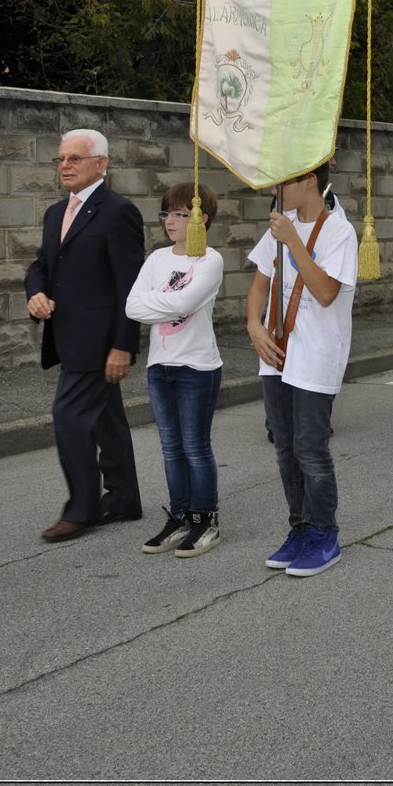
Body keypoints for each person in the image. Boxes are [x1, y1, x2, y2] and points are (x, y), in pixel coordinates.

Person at [25, 128, 145, 542]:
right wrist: (35, 292)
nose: (65, 166)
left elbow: (130, 286)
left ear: (102, 164)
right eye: (60, 159)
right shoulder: (56, 213)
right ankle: (125, 498)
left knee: (69, 417)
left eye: (74, 159)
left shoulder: (118, 212)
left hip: (99, 343)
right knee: (107, 418)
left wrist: (123, 346)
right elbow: (42, 263)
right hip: (68, 336)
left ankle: (83, 509)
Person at [247, 162, 358, 578]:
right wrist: (254, 325)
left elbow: (326, 292)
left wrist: (293, 241)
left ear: (309, 181)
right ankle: (300, 527)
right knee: (285, 448)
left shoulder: (338, 231)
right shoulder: (280, 225)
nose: (276, 189)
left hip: (316, 355)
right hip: (276, 352)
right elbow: (259, 284)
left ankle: (324, 534)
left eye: (284, 181)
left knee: (311, 449)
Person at [124, 182, 225, 557]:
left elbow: (187, 300)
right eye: (167, 212)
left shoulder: (210, 260)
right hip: (159, 366)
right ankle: (180, 516)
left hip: (197, 366)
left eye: (182, 214)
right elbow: (132, 307)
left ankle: (205, 520)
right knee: (170, 448)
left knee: (195, 447)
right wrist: (174, 304)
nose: (171, 220)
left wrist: (164, 302)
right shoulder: (157, 259)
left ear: (202, 219)